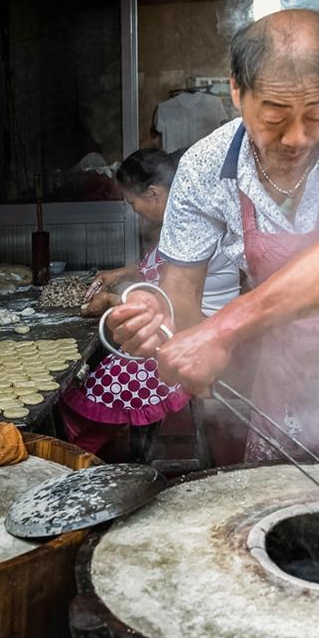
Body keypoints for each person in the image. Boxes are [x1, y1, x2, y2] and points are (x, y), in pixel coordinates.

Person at [105, 9, 319, 464]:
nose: (295, 138)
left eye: (316, 113)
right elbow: (181, 292)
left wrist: (222, 329)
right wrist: (161, 319)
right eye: (275, 115)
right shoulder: (204, 167)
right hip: (290, 381)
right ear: (237, 91)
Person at [59, 147, 240, 454]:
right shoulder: (183, 218)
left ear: (154, 194)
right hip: (183, 321)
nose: (134, 211)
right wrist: (121, 274)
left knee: (105, 378)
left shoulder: (189, 224)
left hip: (195, 333)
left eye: (133, 203)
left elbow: (170, 299)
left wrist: (110, 302)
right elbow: (159, 273)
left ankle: (83, 453)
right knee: (108, 361)